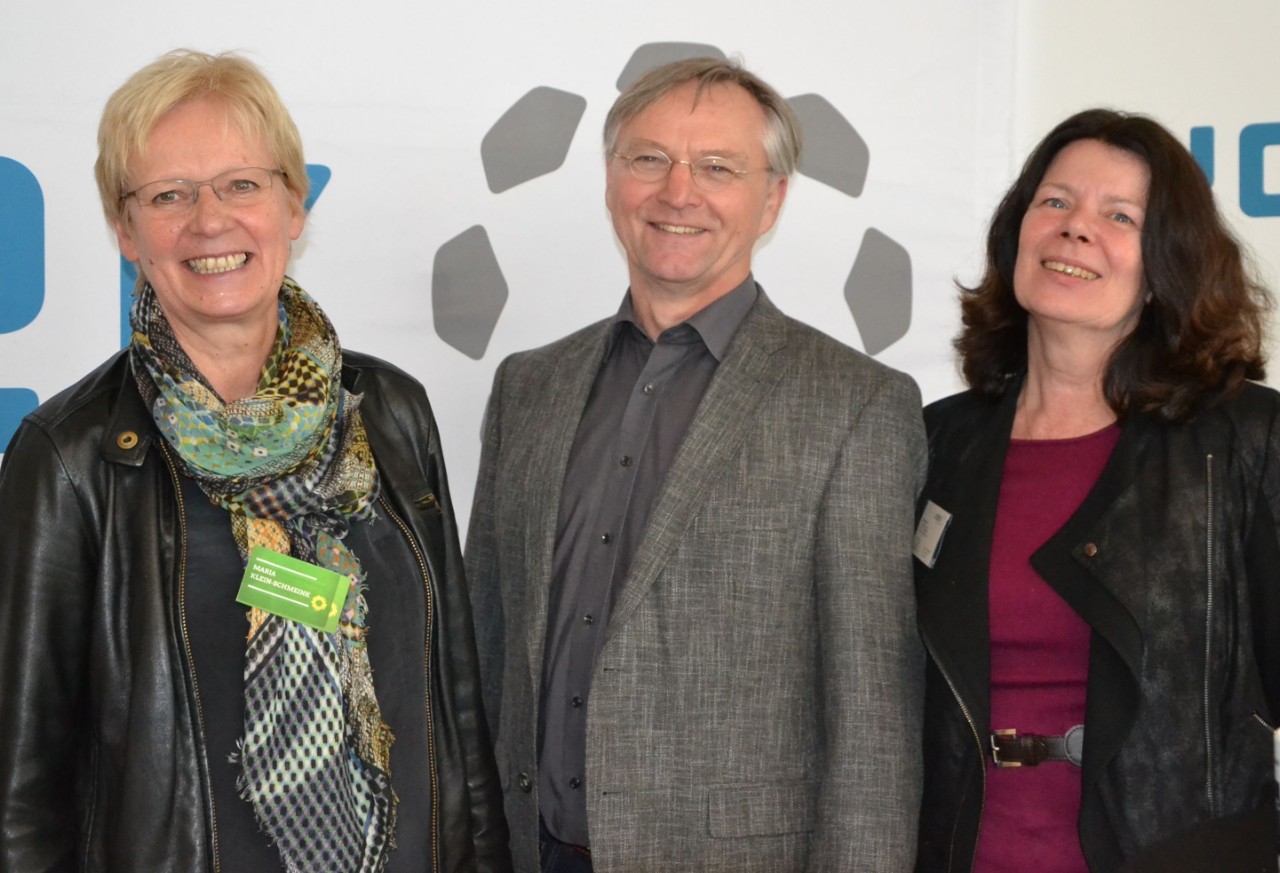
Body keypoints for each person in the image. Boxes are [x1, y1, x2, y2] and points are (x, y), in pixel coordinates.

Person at [0, 49, 510, 873]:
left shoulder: (390, 412)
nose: (211, 220)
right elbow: (20, 792)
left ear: (292, 204)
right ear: (126, 230)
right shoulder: (74, 459)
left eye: (242, 184)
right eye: (169, 194)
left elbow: (458, 705)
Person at [465, 57, 926, 873]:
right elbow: (485, 654)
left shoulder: (856, 406)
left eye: (718, 167)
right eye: (649, 159)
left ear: (773, 198)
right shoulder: (527, 388)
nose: (678, 193)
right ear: (612, 180)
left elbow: (873, 729)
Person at [915, 108, 1280, 873]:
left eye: (1120, 216)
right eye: (1055, 202)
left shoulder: (1246, 439)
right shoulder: (936, 441)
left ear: (1163, 268)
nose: (1076, 230)